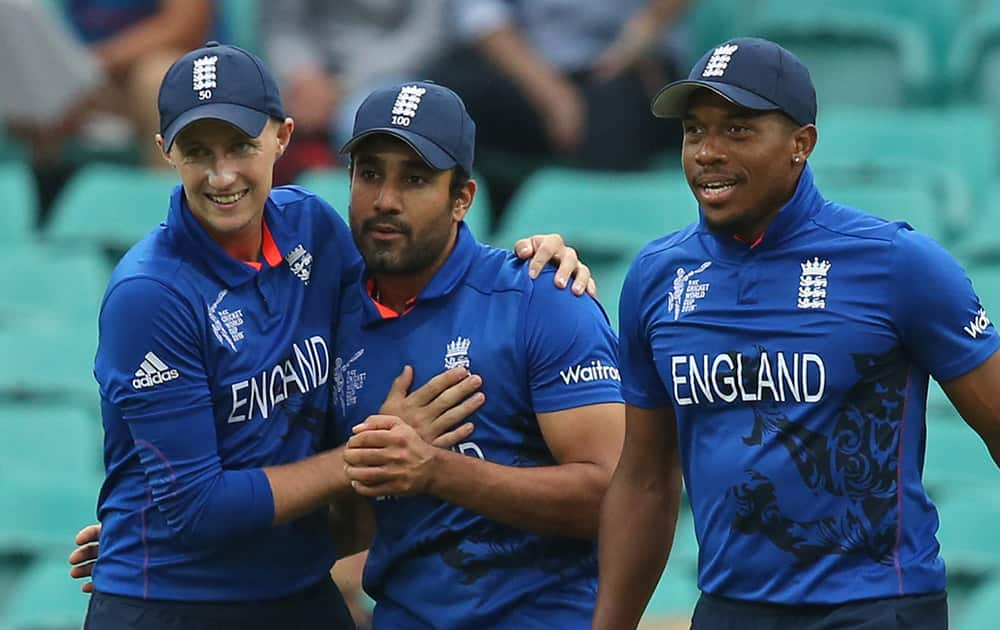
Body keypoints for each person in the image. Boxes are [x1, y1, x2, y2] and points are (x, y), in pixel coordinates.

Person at [75, 40, 593, 630]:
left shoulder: (315, 232)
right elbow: (196, 509)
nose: (222, 175)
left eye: (241, 146)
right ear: (164, 151)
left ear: (282, 137)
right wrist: (368, 457)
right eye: (197, 151)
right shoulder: (149, 293)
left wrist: (535, 259)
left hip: (297, 590)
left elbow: (422, 270)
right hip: (174, 602)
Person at [593, 37, 1000, 630]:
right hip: (731, 610)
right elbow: (647, 478)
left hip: (873, 606)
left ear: (801, 144)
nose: (707, 152)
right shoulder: (657, 278)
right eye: (694, 131)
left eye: (738, 130)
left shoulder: (896, 263)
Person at [332, 81, 626, 628]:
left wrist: (436, 471)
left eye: (415, 179)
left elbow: (616, 496)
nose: (385, 200)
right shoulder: (329, 313)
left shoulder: (540, 297)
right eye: (370, 173)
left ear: (462, 198)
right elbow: (339, 519)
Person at [259, 0, 452, 183]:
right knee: (255, 124)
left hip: (390, 73)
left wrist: (343, 83)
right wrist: (303, 73)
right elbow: (283, 26)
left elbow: (425, 34)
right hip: (307, 74)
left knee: (363, 127)